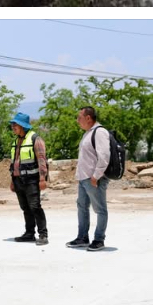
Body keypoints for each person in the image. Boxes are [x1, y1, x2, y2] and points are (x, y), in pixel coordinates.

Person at [69, 105, 112, 252]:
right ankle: (82, 237)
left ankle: (99, 239)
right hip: (84, 178)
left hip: (94, 179)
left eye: (79, 117)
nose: (77, 120)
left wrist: (96, 176)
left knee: (100, 209)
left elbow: (104, 156)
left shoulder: (100, 132)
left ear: (88, 118)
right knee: (82, 207)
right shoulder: (88, 133)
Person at [8, 111, 49, 246]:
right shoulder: (16, 141)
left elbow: (42, 160)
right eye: (13, 124)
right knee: (25, 208)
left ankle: (43, 234)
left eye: (15, 124)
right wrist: (13, 180)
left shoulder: (35, 139)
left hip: (31, 180)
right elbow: (15, 162)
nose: (13, 127)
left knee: (35, 207)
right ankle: (29, 233)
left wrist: (42, 179)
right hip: (18, 180)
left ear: (23, 126)